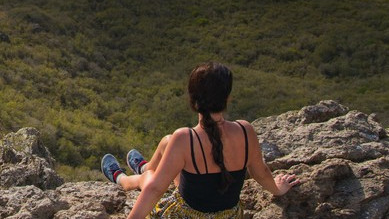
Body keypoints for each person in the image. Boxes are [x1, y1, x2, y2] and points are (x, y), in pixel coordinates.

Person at [99, 62, 299, 219]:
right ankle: (144, 166)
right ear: (227, 98)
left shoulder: (185, 138)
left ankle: (123, 179)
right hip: (229, 216)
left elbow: (155, 189)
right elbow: (260, 172)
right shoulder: (245, 131)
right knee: (168, 141)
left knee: (150, 177)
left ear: (193, 100)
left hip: (188, 215)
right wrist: (277, 189)